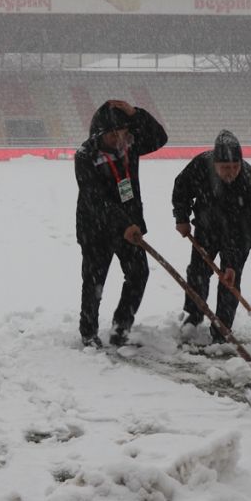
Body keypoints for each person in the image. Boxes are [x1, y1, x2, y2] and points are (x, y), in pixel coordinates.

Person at [75, 100, 168, 348]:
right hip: (96, 229)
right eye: (113, 134)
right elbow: (96, 199)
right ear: (99, 134)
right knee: (94, 282)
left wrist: (136, 113)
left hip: (130, 228)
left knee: (139, 274)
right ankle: (88, 332)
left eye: (124, 133)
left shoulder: (131, 147)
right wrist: (123, 224)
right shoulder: (85, 156)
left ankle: (121, 325)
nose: (119, 139)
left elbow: (160, 138)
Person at [171, 129, 251, 344]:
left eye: (235, 167)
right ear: (215, 164)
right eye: (225, 168)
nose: (231, 172)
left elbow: (249, 226)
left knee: (230, 280)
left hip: (237, 234)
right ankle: (193, 316)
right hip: (206, 228)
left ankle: (222, 328)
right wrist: (181, 218)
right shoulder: (201, 165)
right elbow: (181, 188)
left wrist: (233, 262)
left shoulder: (248, 179)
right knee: (198, 273)